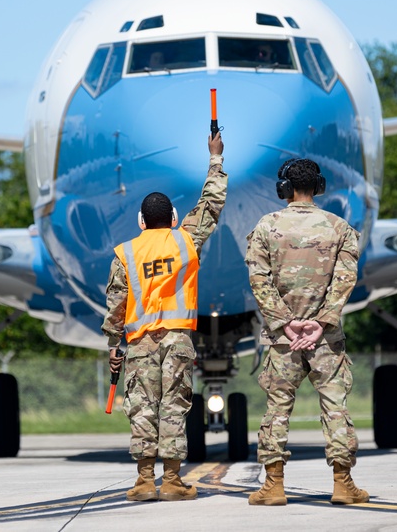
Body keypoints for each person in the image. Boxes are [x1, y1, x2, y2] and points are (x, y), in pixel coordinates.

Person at [102, 132, 226, 502]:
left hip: (140, 343)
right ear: (173, 218)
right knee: (174, 407)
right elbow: (211, 203)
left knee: (141, 408)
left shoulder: (125, 253)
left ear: (141, 222)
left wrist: (113, 345)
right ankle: (172, 481)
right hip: (177, 340)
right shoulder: (185, 240)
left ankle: (144, 481)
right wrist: (215, 158)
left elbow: (116, 304)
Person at [245, 158, 368, 506]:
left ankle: (274, 485)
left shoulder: (267, 226)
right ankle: (343, 484)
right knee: (335, 407)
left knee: (277, 409)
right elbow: (345, 279)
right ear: (319, 186)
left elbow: (259, 280)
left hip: (283, 339)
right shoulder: (339, 228)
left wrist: (285, 321)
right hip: (325, 339)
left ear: (284, 189)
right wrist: (321, 321)